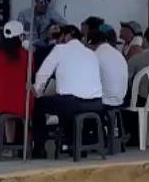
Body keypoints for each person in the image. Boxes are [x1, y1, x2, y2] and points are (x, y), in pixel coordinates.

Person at [32, 25, 103, 158]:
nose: (57, 40)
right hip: (96, 103)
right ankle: (74, 145)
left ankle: (39, 148)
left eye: (59, 36)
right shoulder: (91, 53)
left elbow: (42, 75)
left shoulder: (60, 49)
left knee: (39, 104)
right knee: (66, 103)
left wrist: (38, 92)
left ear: (68, 35)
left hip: (71, 103)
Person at [0, 20, 33, 144]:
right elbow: (30, 78)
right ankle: (27, 142)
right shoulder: (27, 56)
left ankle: (8, 142)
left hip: (2, 102)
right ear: (20, 37)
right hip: (24, 102)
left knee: (4, 114)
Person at [89, 23, 128, 110]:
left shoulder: (95, 55)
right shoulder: (117, 53)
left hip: (104, 102)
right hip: (120, 100)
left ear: (90, 43)